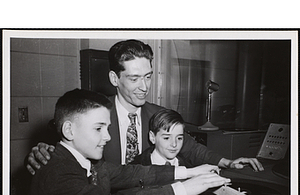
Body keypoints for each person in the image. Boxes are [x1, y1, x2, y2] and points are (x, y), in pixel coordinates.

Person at [22, 89, 230, 195]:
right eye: (98, 128)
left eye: (108, 127)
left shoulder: (88, 161)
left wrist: (190, 171)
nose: (108, 136)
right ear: (69, 130)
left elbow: (129, 172)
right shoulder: (57, 171)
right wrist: (183, 190)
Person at [26, 39, 264, 174]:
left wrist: (227, 162)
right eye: (134, 78)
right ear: (114, 78)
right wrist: (44, 150)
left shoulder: (157, 114)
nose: (144, 87)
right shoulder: (93, 114)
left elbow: (192, 149)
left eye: (148, 77)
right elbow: (61, 147)